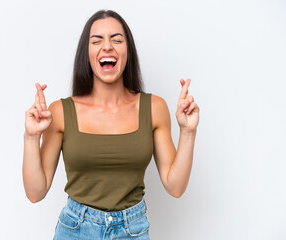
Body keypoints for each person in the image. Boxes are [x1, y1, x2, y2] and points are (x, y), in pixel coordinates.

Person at [23, 9, 199, 240]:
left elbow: (175, 187)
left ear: (128, 52)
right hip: (74, 230)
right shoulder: (60, 112)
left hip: (132, 231)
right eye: (97, 40)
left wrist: (188, 131)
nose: (107, 46)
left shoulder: (154, 108)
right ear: (87, 54)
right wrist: (31, 137)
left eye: (117, 39)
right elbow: (35, 193)